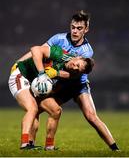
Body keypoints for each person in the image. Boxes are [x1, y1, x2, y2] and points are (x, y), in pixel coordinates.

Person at [30, 10, 119, 151]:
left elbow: (74, 75)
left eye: (79, 28)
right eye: (73, 27)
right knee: (35, 109)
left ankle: (115, 149)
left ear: (86, 29)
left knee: (91, 116)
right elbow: (39, 52)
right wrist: (27, 65)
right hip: (61, 85)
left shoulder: (86, 51)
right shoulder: (59, 38)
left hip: (79, 86)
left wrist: (54, 73)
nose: (75, 31)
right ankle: (31, 145)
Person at [8, 44, 94, 150]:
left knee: (56, 110)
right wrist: (42, 73)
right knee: (32, 108)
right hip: (21, 75)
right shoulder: (60, 54)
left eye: (77, 69)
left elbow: (55, 89)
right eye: (77, 64)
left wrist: (55, 75)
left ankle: (49, 146)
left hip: (36, 84)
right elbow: (35, 49)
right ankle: (25, 144)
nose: (74, 67)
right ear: (79, 57)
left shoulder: (71, 75)